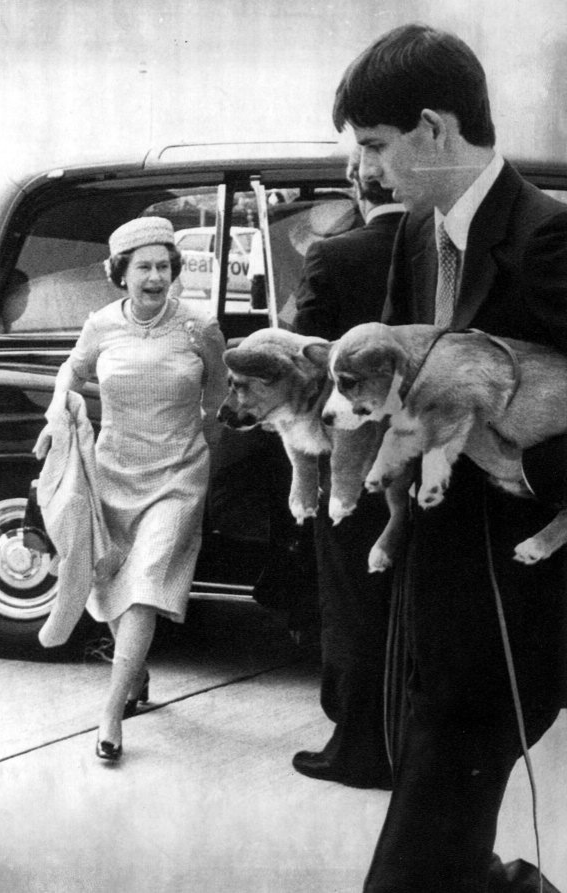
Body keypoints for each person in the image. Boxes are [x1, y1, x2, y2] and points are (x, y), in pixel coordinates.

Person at [333, 23, 567, 892]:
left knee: (408, 874)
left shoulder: (548, 239)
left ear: (434, 127)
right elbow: (404, 394)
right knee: (450, 862)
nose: (370, 172)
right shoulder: (413, 236)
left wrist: (530, 474)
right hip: (429, 608)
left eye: (377, 146)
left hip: (516, 619)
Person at [39, 216, 227, 763]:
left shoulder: (200, 326)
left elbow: (217, 398)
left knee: (145, 583)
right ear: (120, 273)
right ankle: (135, 670)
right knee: (111, 579)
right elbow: (70, 371)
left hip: (178, 473)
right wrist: (58, 407)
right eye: (143, 266)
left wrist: (201, 451)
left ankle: (111, 712)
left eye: (164, 266)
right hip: (114, 470)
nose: (155, 277)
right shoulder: (100, 324)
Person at [292, 152, 404, 788]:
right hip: (431, 453)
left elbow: (310, 363)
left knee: (353, 601)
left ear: (356, 188)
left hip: (353, 462)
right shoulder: (437, 246)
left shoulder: (334, 256)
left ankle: (358, 746)